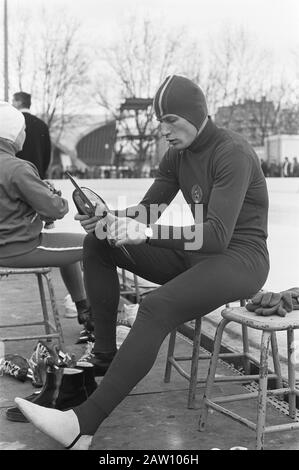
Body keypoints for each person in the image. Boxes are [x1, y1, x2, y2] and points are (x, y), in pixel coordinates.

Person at [15, 75, 270, 450]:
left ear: (195, 115)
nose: (163, 130)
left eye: (171, 120)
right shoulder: (178, 154)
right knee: (98, 241)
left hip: (240, 258)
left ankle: (82, 425)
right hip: (199, 253)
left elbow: (215, 234)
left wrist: (145, 233)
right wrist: (108, 217)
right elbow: (147, 212)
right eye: (160, 122)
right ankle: (103, 355)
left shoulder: (232, 152)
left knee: (155, 307)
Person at [0, 101, 92, 335]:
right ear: (12, 135)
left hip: (8, 244)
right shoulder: (18, 167)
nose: (25, 135)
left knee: (66, 246)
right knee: (95, 244)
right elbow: (55, 210)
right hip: (19, 248)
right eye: (23, 131)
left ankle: (84, 308)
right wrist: (51, 194)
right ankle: (95, 317)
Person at [12, 91, 51, 179]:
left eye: (13, 101)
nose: (12, 104)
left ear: (19, 102)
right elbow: (47, 154)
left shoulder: (13, 122)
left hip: (16, 175)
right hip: (37, 175)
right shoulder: (42, 125)